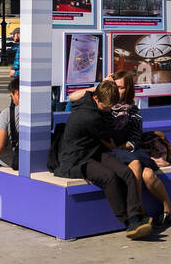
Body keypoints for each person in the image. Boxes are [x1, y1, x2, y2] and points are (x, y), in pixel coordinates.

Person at [56, 79, 154, 239]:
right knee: (109, 177)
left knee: (128, 174)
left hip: (94, 150)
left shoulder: (88, 97)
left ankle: (136, 215)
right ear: (97, 99)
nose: (108, 110)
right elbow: (110, 142)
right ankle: (128, 222)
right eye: (106, 107)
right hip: (77, 160)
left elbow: (78, 96)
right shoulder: (90, 117)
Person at [107, 70, 171, 225]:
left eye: (122, 87)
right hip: (114, 155)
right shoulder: (106, 108)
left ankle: (166, 205)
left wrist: (118, 146)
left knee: (148, 175)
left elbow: (135, 139)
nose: (118, 91)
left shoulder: (133, 111)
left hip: (130, 151)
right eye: (115, 86)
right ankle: (140, 210)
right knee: (143, 173)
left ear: (129, 89)